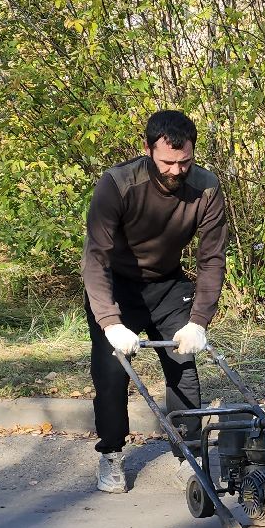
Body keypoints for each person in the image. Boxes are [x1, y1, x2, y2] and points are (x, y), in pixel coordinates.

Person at [82, 110, 230, 493]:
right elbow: (95, 257)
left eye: (185, 161)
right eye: (167, 162)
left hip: (166, 285)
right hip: (116, 285)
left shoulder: (207, 188)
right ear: (146, 149)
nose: (177, 171)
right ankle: (111, 454)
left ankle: (188, 454)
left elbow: (212, 259)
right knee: (112, 373)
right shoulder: (117, 184)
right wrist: (111, 322)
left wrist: (199, 320)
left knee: (183, 366)